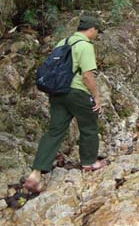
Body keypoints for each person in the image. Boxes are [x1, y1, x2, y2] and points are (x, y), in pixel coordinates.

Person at [24, 16, 107, 193]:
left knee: (54, 131)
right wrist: (97, 96)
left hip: (57, 92)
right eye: (97, 31)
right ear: (92, 29)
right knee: (89, 126)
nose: (97, 35)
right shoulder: (85, 46)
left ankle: (36, 173)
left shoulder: (62, 42)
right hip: (77, 92)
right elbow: (87, 76)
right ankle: (89, 162)